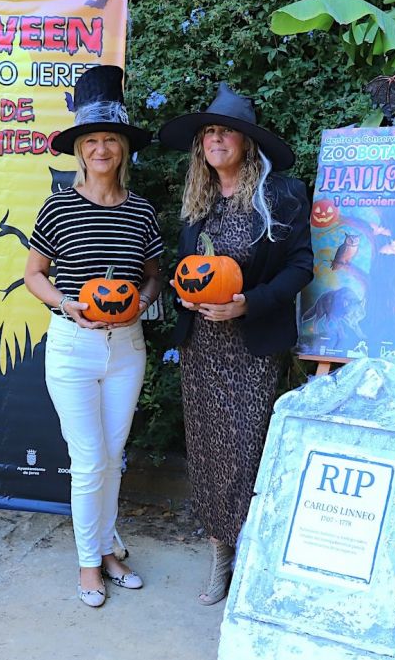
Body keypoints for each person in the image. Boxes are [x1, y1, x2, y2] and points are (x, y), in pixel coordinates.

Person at [158, 83, 313, 605]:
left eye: (226, 131)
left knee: (246, 450)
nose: (216, 140)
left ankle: (250, 551)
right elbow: (186, 272)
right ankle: (220, 553)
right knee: (206, 451)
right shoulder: (198, 203)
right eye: (209, 133)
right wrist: (184, 294)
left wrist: (249, 302)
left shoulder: (281, 194)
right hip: (202, 348)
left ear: (247, 143)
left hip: (251, 348)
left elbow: (300, 267)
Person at [24, 65, 162, 608]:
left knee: (112, 453)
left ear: (123, 149)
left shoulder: (142, 209)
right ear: (79, 149)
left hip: (126, 348)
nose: (101, 149)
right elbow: (34, 275)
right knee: (88, 460)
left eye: (111, 139)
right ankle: (88, 563)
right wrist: (67, 302)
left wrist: (144, 303)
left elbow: (152, 273)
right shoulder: (59, 206)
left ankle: (106, 549)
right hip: (73, 348)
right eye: (92, 140)